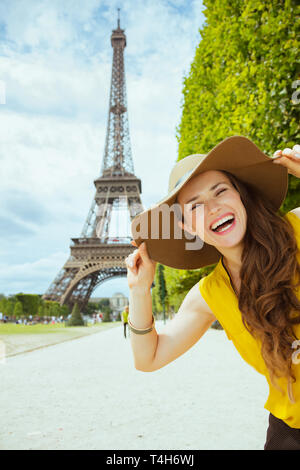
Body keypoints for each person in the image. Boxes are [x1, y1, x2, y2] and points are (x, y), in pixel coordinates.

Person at [124, 136, 300, 450]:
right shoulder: (209, 295)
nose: (214, 208)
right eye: (195, 206)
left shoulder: (297, 228)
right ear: (187, 228)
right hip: (291, 428)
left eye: (221, 191)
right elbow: (147, 358)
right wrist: (140, 292)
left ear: (241, 197)